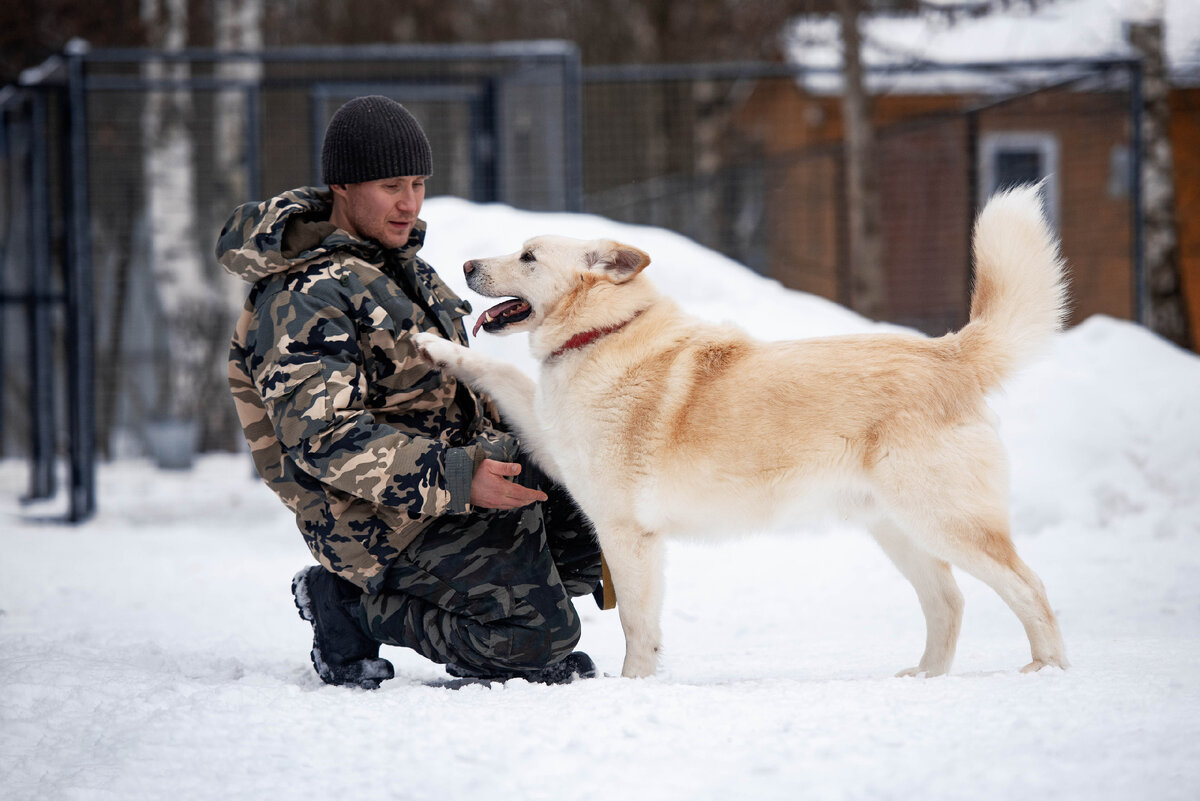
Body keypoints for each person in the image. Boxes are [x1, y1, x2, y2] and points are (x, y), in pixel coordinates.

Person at [216, 95, 603, 689]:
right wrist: (457, 475)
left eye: (418, 183)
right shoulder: (304, 295)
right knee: (539, 640)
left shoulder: (401, 269)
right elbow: (323, 437)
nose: (409, 202)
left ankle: (505, 620)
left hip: (450, 479)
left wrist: (543, 440)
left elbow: (455, 391)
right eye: (391, 184)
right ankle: (347, 603)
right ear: (343, 186)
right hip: (378, 520)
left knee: (600, 509)